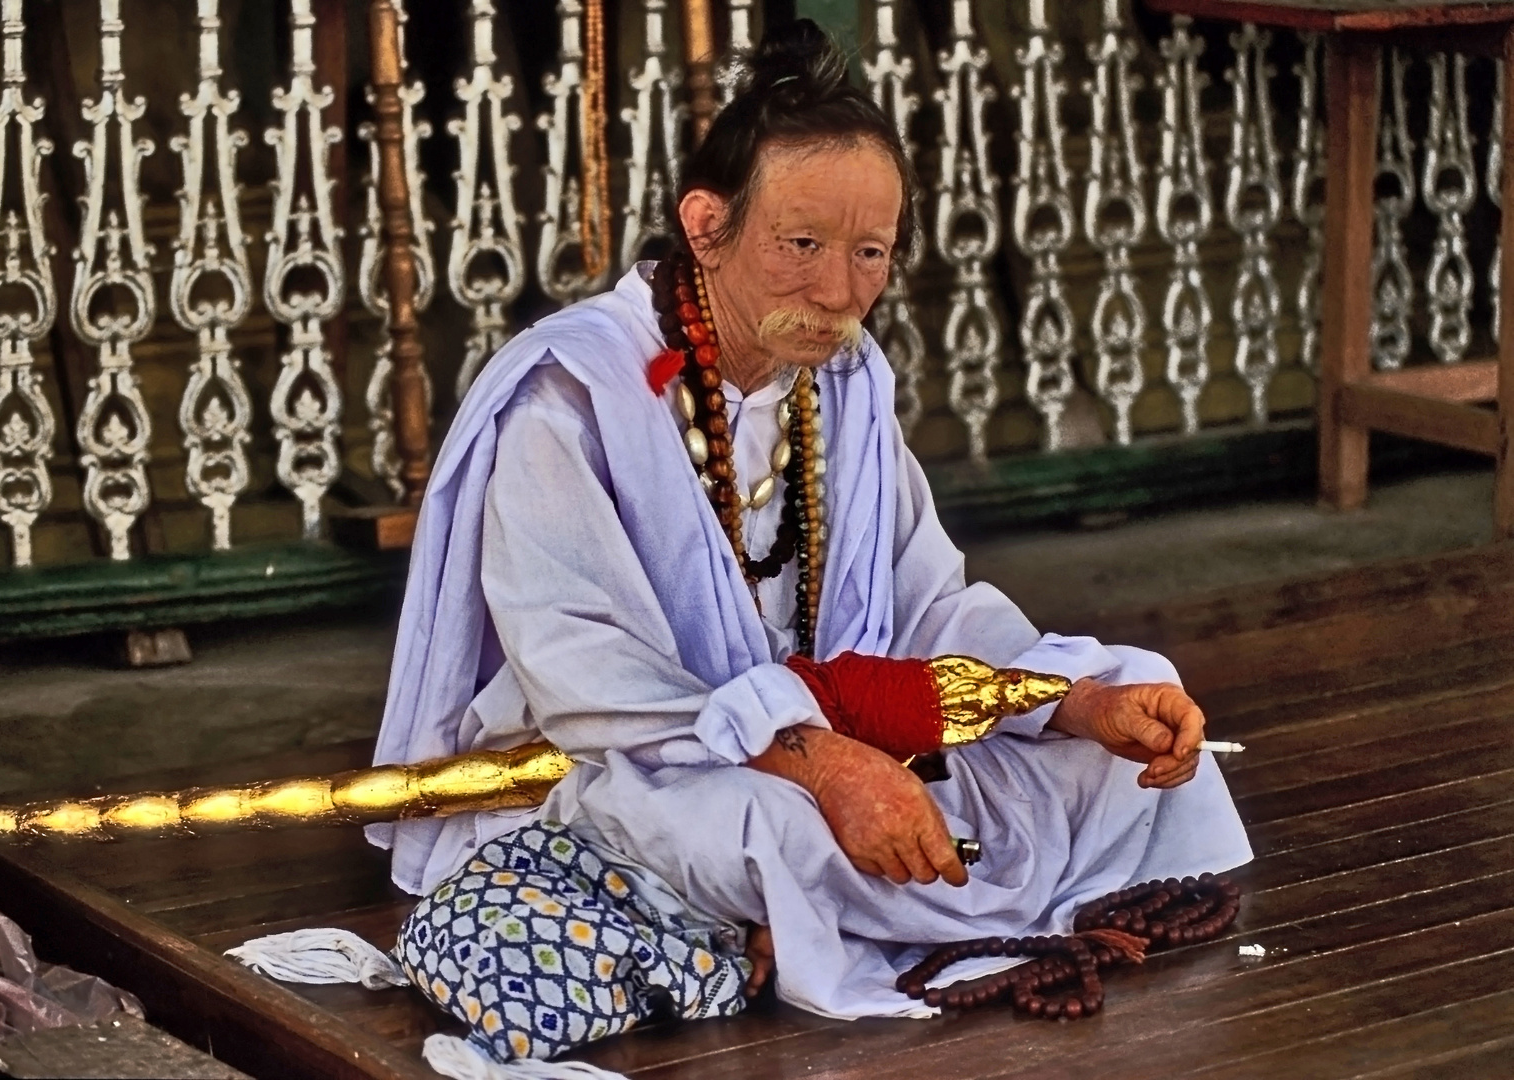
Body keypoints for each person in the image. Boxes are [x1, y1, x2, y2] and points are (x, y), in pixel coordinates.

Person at [370, 20, 1251, 1065]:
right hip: (636, 763)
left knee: (1134, 712)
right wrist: (819, 765)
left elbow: (929, 610)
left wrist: (1071, 699)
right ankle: (848, 915)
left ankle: (821, 924)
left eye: (868, 252)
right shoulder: (570, 398)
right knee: (772, 832)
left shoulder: (841, 382)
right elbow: (583, 679)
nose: (838, 292)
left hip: (848, 740)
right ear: (705, 227)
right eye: (801, 246)